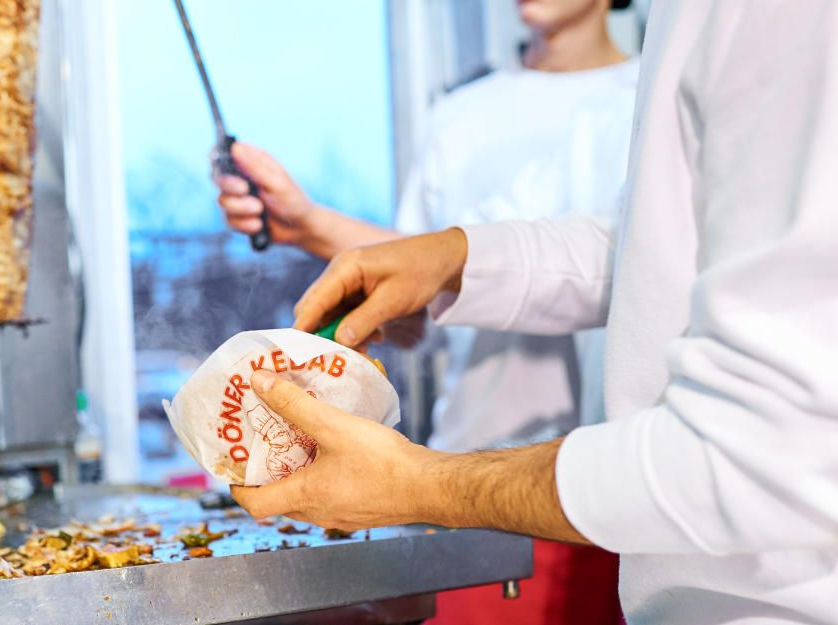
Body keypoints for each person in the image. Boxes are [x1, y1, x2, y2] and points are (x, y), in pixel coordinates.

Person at [231, 1, 838, 623]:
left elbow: (768, 445)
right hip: (627, 526)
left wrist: (422, 483)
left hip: (678, 545)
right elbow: (651, 246)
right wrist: (457, 256)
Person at [215, 0, 635, 621]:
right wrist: (307, 225)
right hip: (467, 482)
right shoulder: (462, 115)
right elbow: (421, 289)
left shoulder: (648, 99)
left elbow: (617, 270)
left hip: (621, 485)